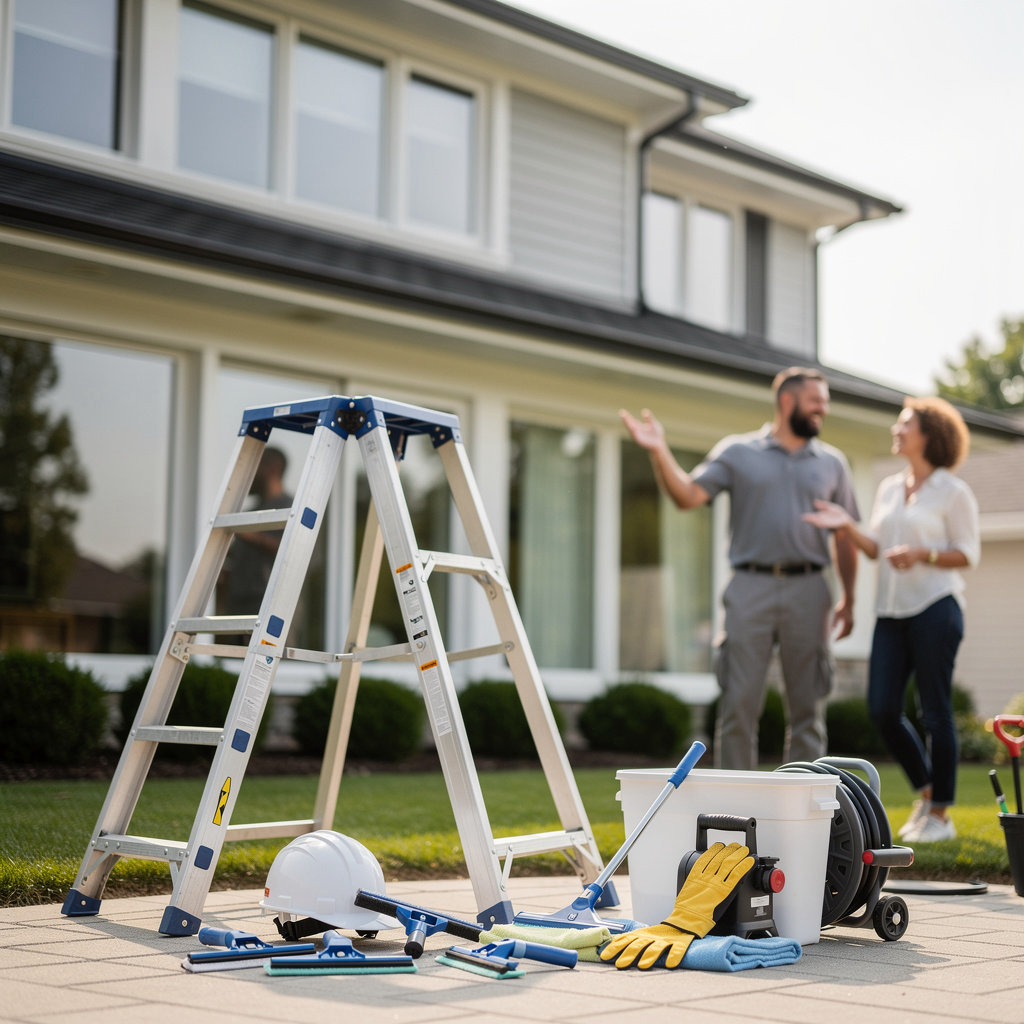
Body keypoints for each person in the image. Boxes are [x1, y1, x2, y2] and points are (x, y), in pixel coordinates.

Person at [620, 367, 859, 770]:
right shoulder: (738, 452)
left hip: (811, 590)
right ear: (788, 401)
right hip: (750, 587)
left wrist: (849, 600)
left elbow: (846, 535)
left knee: (808, 713)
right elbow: (688, 495)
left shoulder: (833, 463)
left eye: (825, 402)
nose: (824, 409)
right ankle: (735, 811)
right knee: (738, 707)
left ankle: (804, 810)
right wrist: (659, 451)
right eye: (816, 401)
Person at [803, 396, 979, 843]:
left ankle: (941, 813)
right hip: (891, 613)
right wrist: (845, 523)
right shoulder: (887, 487)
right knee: (882, 709)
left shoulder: (952, 491)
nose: (896, 430)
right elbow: (873, 546)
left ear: (929, 435)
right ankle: (927, 792)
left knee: (935, 712)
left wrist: (925, 554)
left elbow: (969, 554)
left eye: (905, 424)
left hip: (936, 608)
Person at [220, 446, 292, 613]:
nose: (247, 475)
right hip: (238, 605)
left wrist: (249, 534)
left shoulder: (292, 509)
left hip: (271, 607)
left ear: (271, 469)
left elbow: (297, 552)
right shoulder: (249, 513)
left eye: (254, 467)